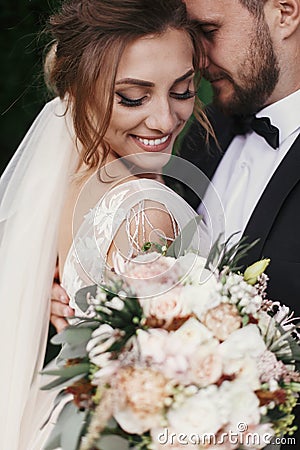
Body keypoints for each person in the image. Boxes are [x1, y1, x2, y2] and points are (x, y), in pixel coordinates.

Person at [0, 1, 212, 449]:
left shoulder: (73, 182)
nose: (163, 119)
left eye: (182, 90)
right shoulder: (145, 210)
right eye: (133, 98)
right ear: (79, 89)